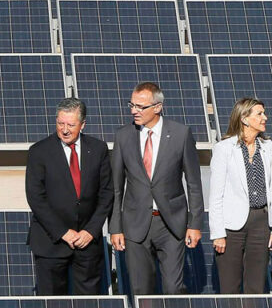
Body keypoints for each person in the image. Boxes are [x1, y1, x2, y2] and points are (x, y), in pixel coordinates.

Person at [108, 81, 204, 295]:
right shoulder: (123, 136)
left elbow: (194, 184)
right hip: (135, 225)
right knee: (141, 290)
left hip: (171, 223)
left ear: (158, 107)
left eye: (140, 107)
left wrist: (195, 223)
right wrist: (115, 227)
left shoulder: (181, 134)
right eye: (132, 105)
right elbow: (116, 187)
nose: (134, 111)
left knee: (173, 288)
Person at [26, 97, 113, 296]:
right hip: (51, 243)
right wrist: (63, 232)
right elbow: (36, 198)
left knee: (88, 306)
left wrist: (90, 231)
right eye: (60, 123)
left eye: (71, 125)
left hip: (87, 244)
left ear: (82, 124)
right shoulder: (39, 152)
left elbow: (106, 193)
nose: (65, 129)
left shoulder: (98, 149)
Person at [209, 97, 272, 293]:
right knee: (230, 285)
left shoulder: (267, 148)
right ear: (244, 119)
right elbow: (216, 195)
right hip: (231, 226)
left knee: (256, 284)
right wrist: (218, 234)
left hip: (261, 222)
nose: (265, 117)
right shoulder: (224, 149)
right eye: (259, 114)